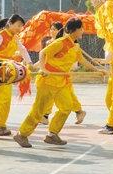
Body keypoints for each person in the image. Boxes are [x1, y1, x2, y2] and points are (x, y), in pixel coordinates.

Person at [13, 18, 107, 148]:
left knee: (66, 107)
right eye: (81, 28)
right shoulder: (61, 42)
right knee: (38, 111)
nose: (82, 31)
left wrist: (97, 70)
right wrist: (44, 69)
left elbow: (82, 60)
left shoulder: (75, 46)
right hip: (48, 80)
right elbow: (43, 53)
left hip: (61, 82)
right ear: (74, 30)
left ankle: (52, 134)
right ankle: (22, 134)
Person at [39, 22, 87, 126]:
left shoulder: (69, 44)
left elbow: (75, 61)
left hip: (62, 75)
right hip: (51, 75)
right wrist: (37, 66)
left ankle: (78, 111)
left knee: (69, 96)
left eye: (54, 29)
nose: (52, 32)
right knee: (51, 96)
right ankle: (45, 116)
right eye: (51, 29)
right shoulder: (51, 43)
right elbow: (45, 57)